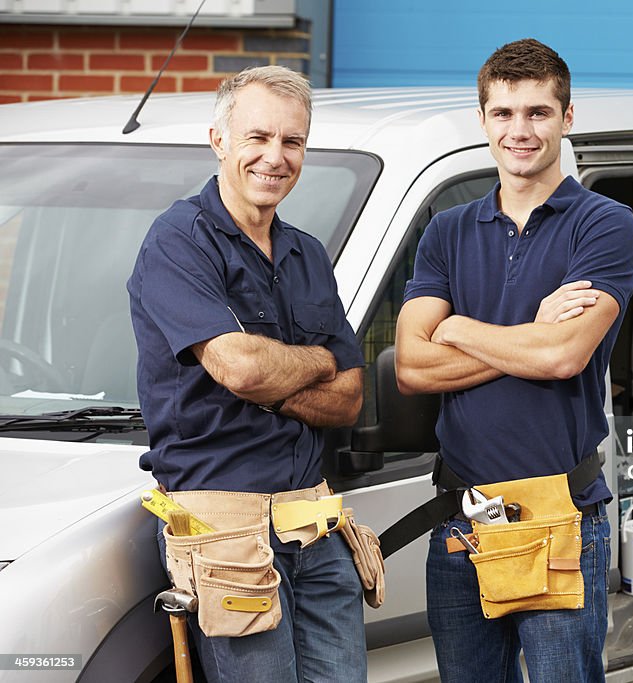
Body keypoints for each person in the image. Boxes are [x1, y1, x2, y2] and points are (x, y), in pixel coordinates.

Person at [395, 38, 633, 682]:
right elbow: (411, 368)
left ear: (567, 117)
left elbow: (562, 356)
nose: (519, 130)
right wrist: (527, 331)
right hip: (463, 521)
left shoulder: (603, 224)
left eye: (537, 112)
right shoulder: (446, 231)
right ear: (483, 120)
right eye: (503, 114)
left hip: (560, 513)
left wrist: (456, 326)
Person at [128, 66, 367, 683]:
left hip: (311, 521)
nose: (275, 157)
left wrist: (273, 372)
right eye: (257, 137)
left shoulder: (306, 253)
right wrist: (314, 361)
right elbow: (240, 369)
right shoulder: (178, 241)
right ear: (218, 140)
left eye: (292, 142)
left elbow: (348, 399)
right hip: (221, 528)